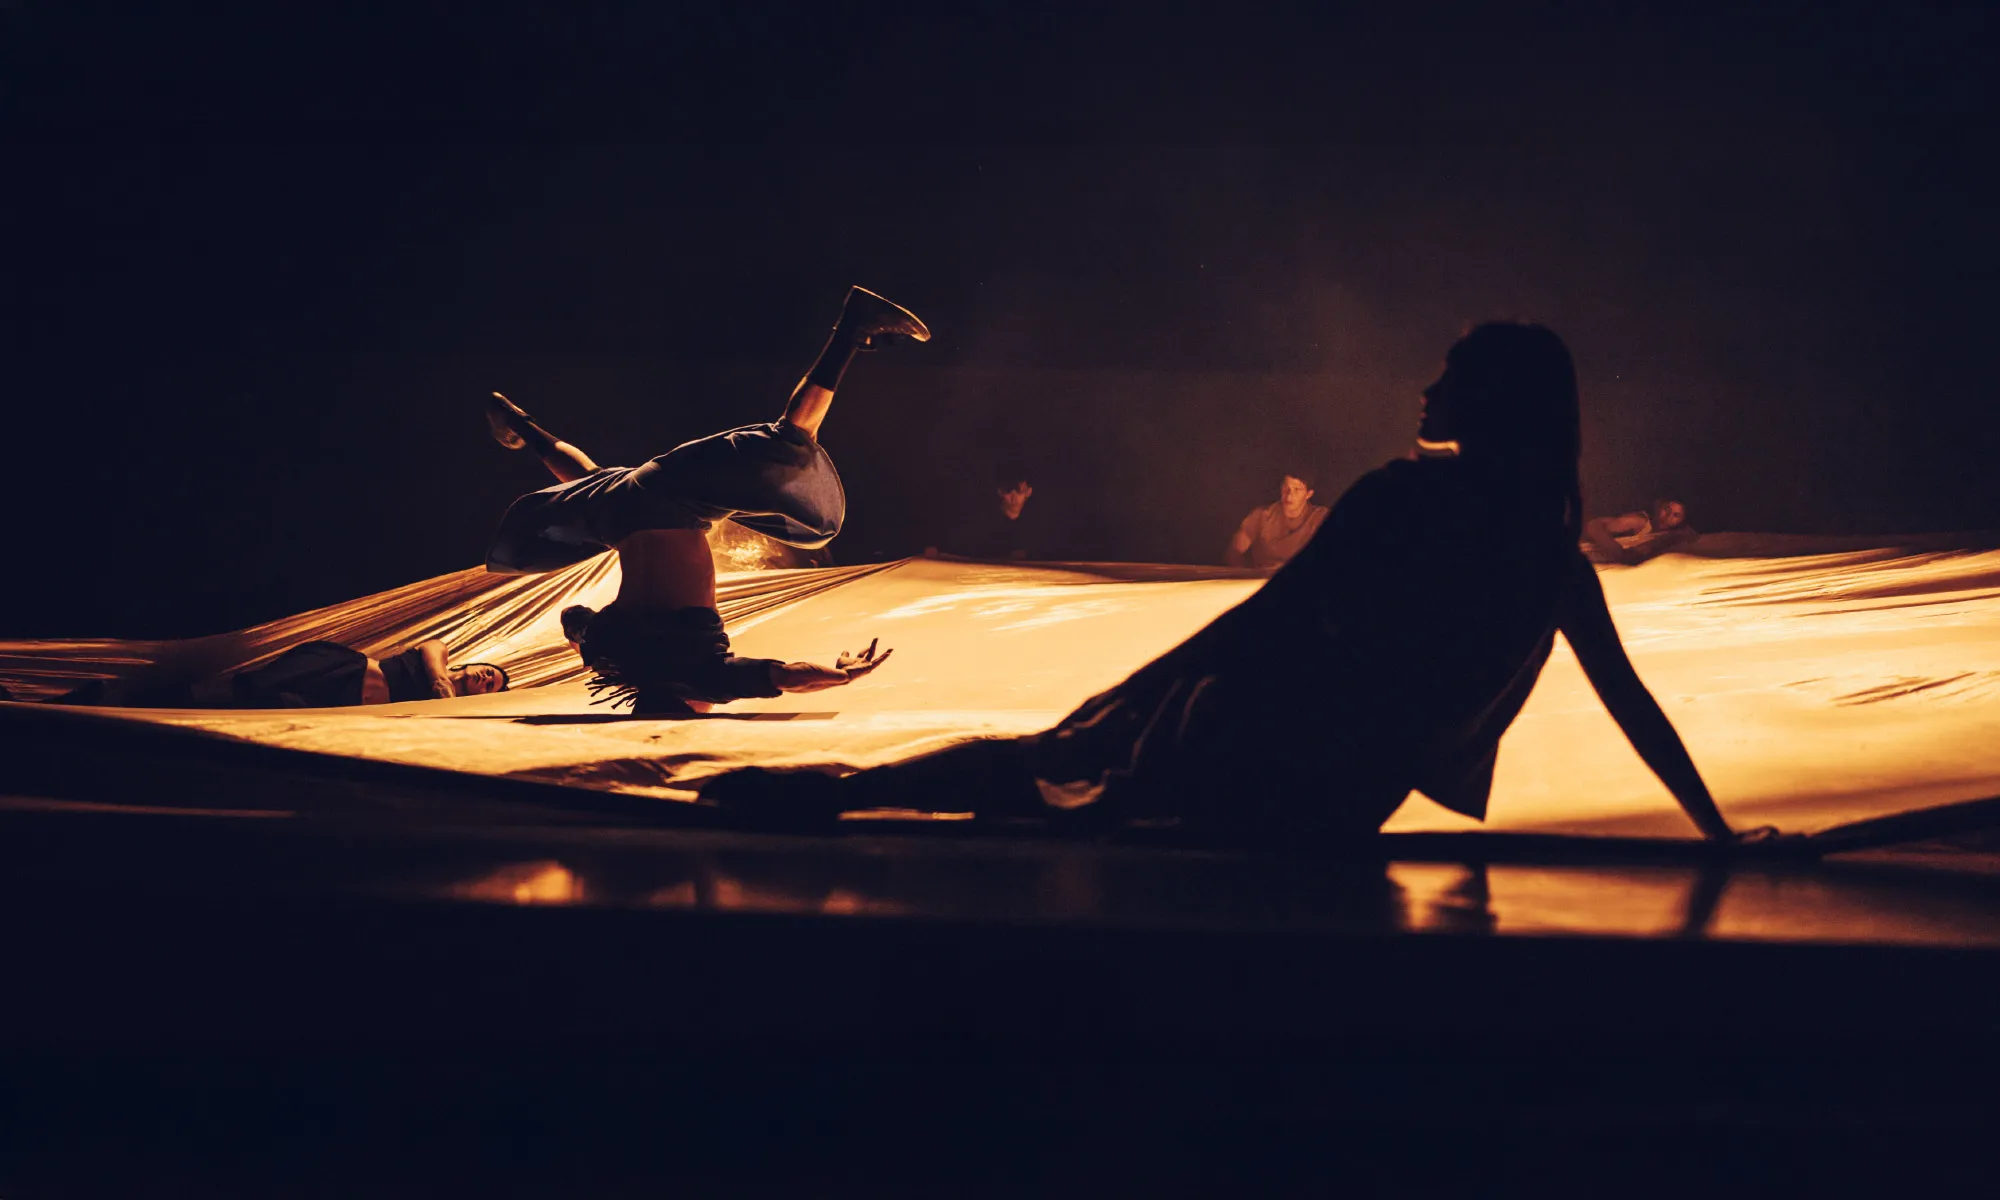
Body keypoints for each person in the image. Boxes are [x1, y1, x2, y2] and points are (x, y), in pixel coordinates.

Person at [706, 322, 1764, 847]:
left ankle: (831, 794)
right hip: (1340, 802)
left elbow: (1266, 623)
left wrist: (1118, 707)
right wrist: (1719, 835)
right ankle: (837, 796)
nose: (1427, 385)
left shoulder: (1404, 497)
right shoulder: (1543, 549)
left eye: (1451, 375)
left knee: (1044, 775)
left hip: (1266, 746)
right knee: (1058, 788)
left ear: (1489, 404)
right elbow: (1628, 697)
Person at [484, 285, 919, 714]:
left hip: (673, 503)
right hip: (617, 517)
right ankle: (519, 425)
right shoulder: (609, 655)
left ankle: (853, 327)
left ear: (691, 705)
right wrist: (591, 644)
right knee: (593, 482)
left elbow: (787, 677)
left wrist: (843, 675)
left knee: (793, 452)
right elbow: (573, 617)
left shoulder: (701, 677)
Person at [47, 639, 509, 708]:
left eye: (492, 685)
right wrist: (441, 682)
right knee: (236, 689)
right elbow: (432, 652)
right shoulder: (441, 661)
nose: (487, 678)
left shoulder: (449, 709)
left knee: (240, 706)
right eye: (489, 671)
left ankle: (111, 699)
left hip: (334, 706)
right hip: (334, 667)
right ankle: (107, 694)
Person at [926, 474, 1047, 561]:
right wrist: (937, 547)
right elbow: (964, 544)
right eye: (1008, 490)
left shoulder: (1035, 520)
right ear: (1000, 492)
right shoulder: (984, 518)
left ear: (1028, 492)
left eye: (1019, 490)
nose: (1013, 496)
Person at [1225, 472, 1330, 568]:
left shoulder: (1320, 517)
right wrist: (1249, 573)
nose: (1289, 495)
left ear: (1308, 494)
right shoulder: (1262, 516)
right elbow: (1233, 552)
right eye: (1286, 488)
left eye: (1297, 489)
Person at [1582, 498, 1698, 565]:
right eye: (1666, 509)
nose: (1668, 516)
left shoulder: (1668, 536)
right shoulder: (1639, 522)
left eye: (1676, 515)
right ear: (1660, 507)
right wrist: (1619, 553)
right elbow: (1593, 526)